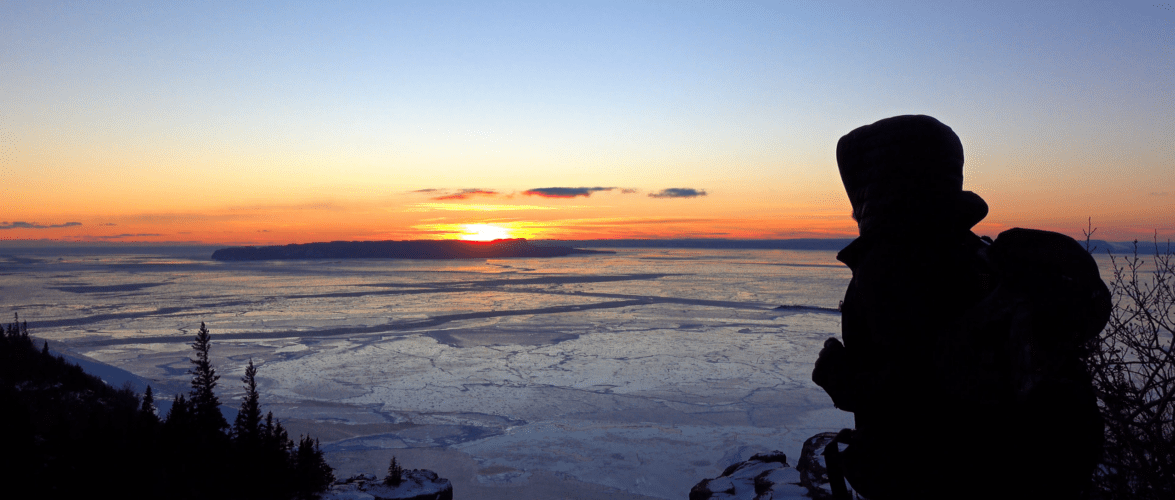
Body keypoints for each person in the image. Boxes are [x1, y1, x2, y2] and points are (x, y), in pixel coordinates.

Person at [812, 115, 1108, 499]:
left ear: (878, 182)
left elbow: (922, 401)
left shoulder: (894, 266)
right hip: (1026, 475)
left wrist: (842, 380)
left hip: (947, 479)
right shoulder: (977, 255)